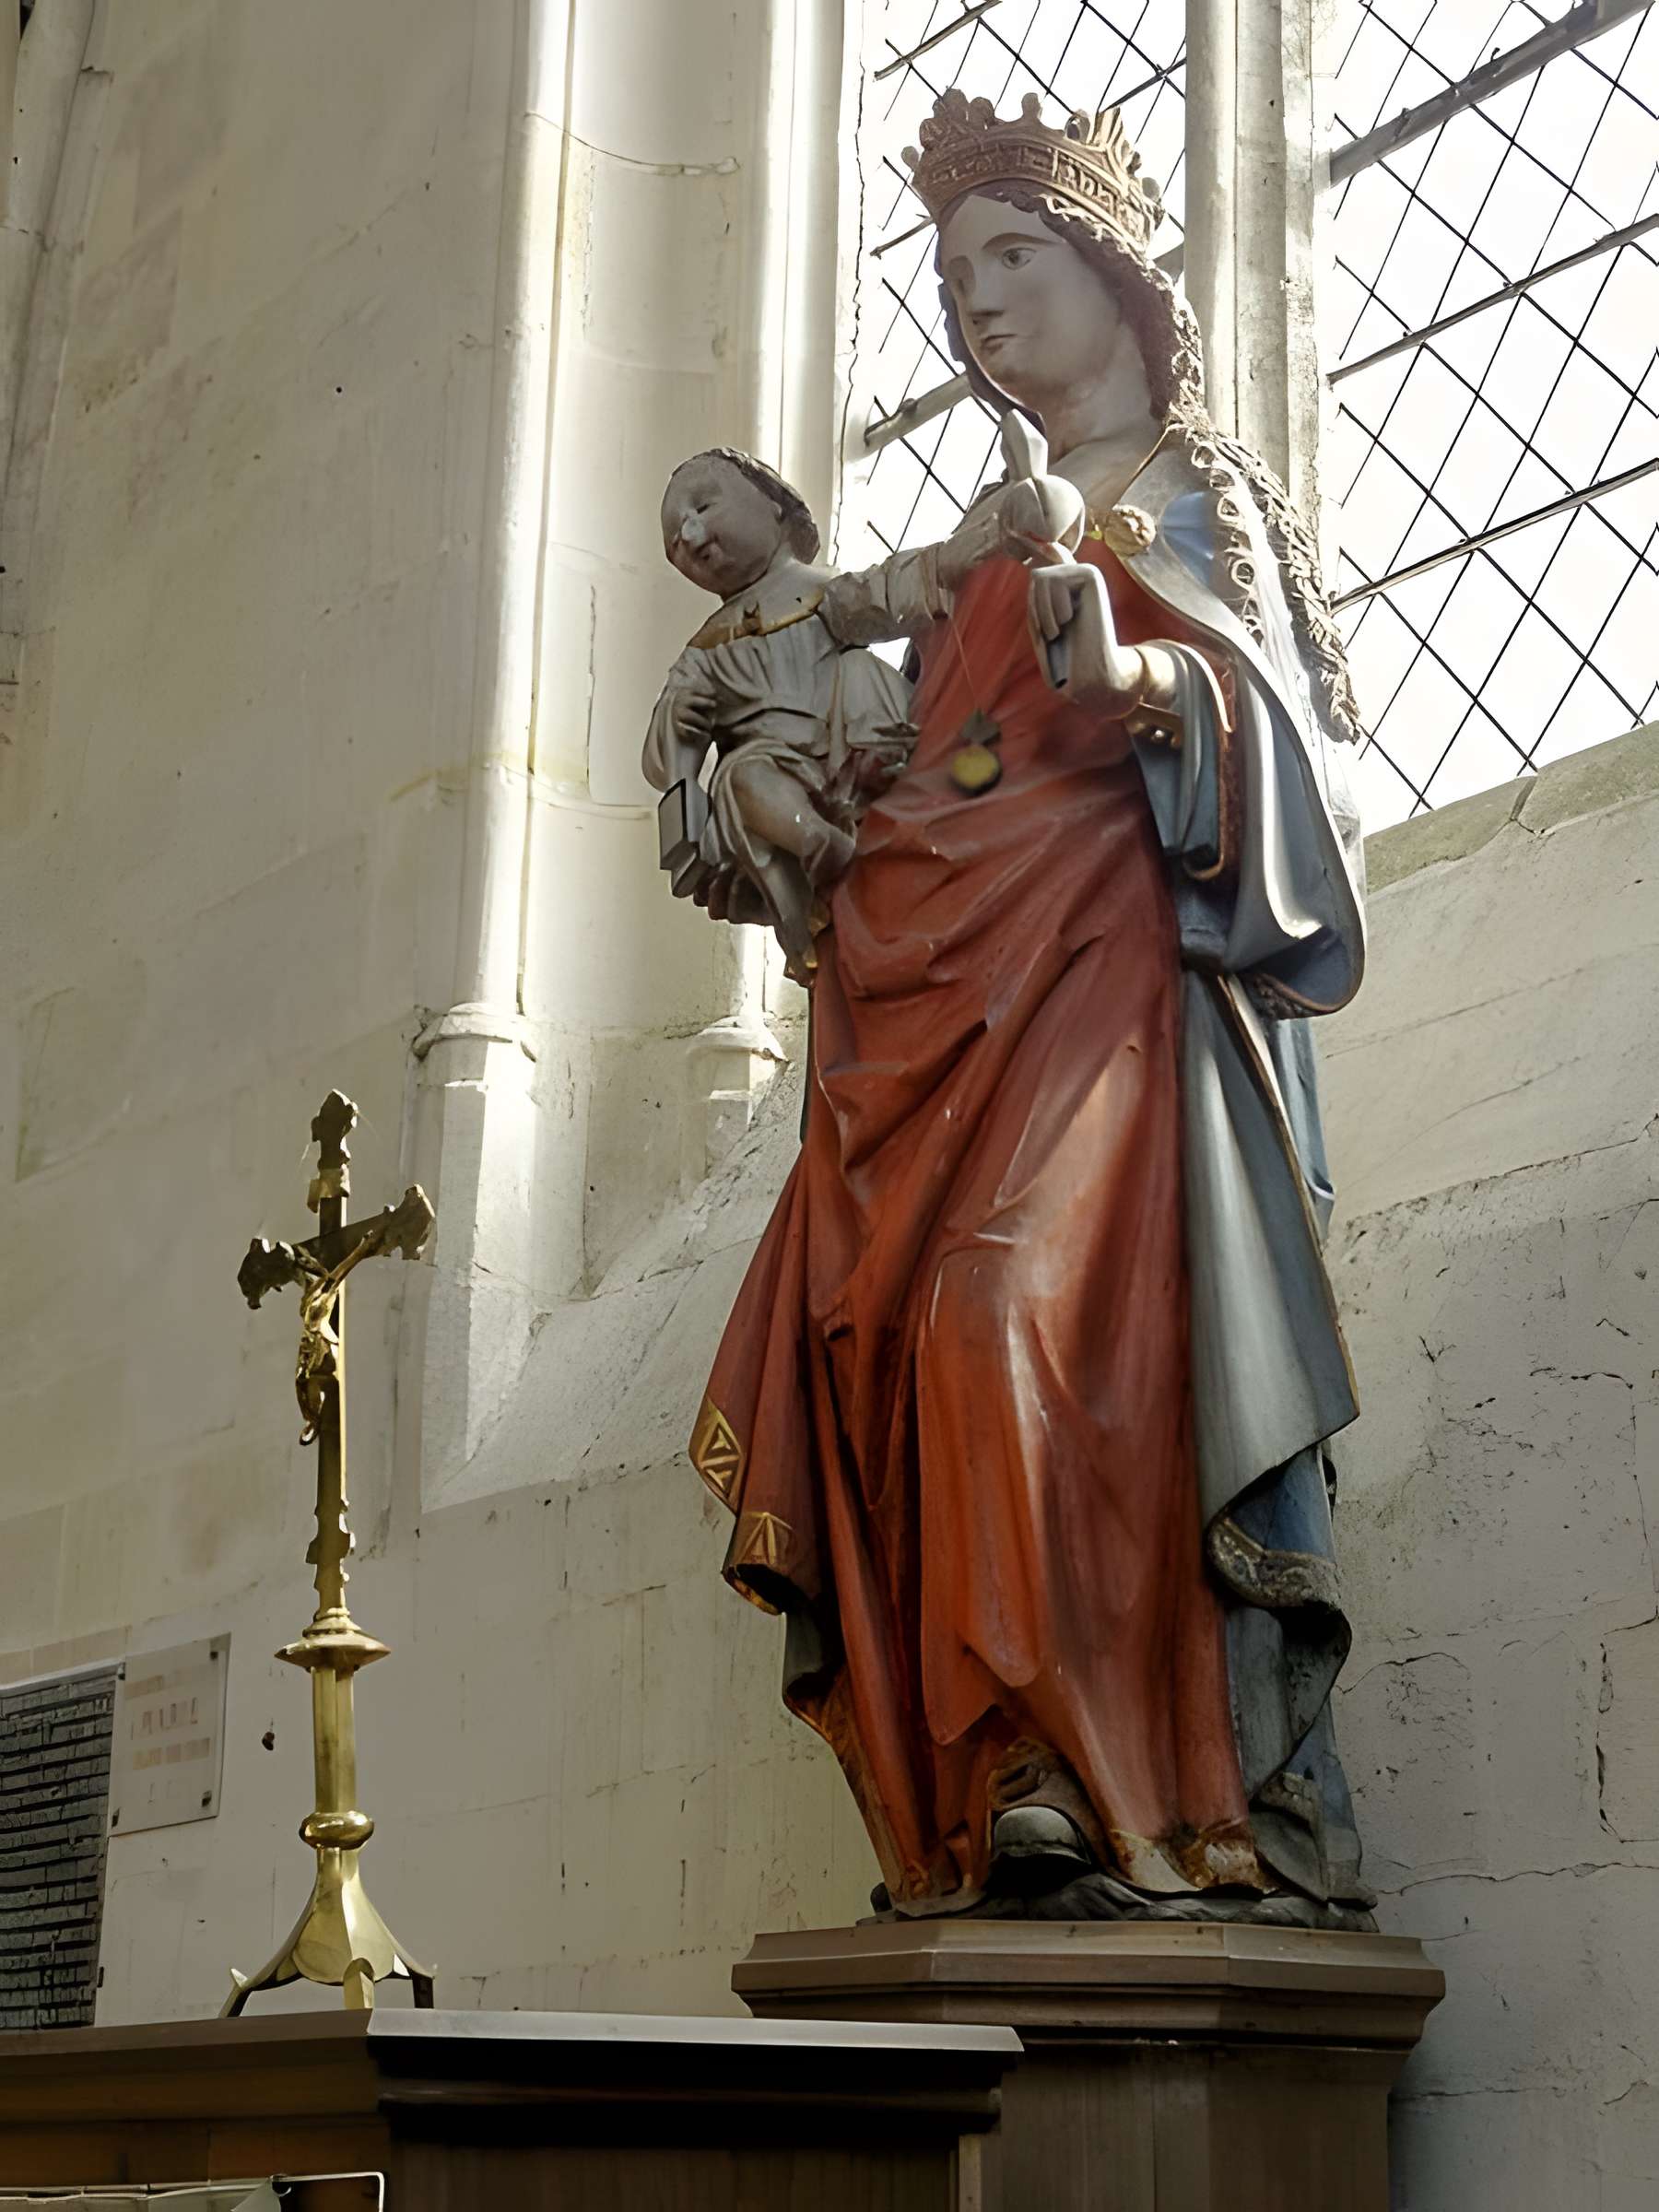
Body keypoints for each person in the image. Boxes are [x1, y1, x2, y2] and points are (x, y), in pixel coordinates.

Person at [684, 90, 1371, 1924]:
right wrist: (794, 840)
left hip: (1114, 1000)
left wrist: (1149, 685)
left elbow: (1306, 783)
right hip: (938, 1008)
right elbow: (929, 778)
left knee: (1004, 1318)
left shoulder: (1208, 500)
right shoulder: (970, 555)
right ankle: (995, 1794)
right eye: (952, 275)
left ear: (1116, 279)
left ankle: (1132, 1772)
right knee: (896, 1356)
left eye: (1015, 259)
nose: (979, 304)